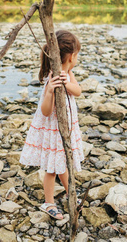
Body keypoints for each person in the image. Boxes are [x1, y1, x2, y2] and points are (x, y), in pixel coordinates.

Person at [19, 29, 84, 220]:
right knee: (51, 169)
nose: (77, 58)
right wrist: (49, 93)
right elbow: (46, 111)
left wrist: (68, 84)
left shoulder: (68, 73)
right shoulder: (52, 79)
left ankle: (70, 192)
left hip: (67, 130)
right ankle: (48, 203)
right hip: (54, 132)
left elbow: (78, 91)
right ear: (71, 56)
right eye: (77, 54)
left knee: (64, 164)